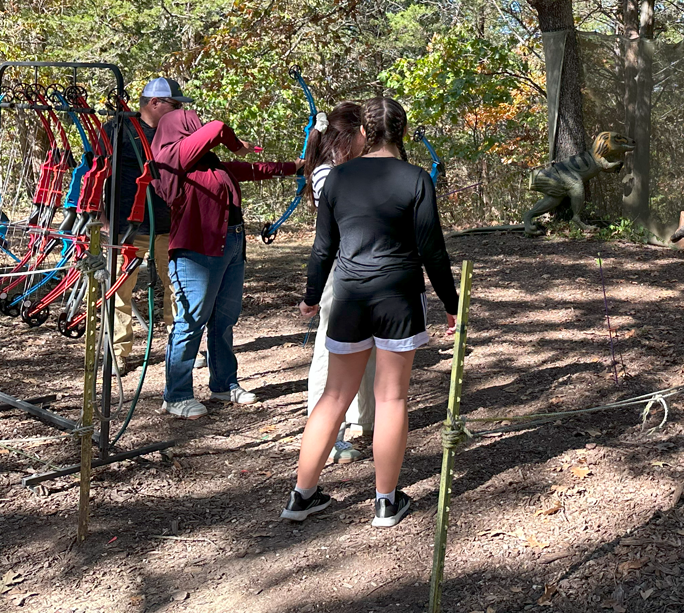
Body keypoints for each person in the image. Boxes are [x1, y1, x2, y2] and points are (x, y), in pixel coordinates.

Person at [282, 97, 457, 528]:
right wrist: (452, 305)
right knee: (391, 397)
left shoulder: (337, 178)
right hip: (398, 295)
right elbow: (432, 249)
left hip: (349, 297)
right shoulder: (416, 179)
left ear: (363, 132)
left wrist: (310, 296)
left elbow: (323, 247)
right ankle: (384, 502)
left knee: (334, 396)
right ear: (402, 132)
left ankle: (301, 497)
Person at [152, 107, 301, 419]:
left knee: (223, 320)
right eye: (191, 126)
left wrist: (298, 166)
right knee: (191, 322)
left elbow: (254, 169)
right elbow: (219, 127)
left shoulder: (209, 164)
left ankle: (223, 384)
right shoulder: (170, 158)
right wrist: (237, 144)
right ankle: (176, 395)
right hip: (197, 251)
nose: (197, 130)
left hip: (230, 245)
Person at [302, 102, 375, 464]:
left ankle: (360, 419)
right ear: (350, 135)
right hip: (340, 272)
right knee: (331, 352)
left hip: (359, 269)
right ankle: (328, 434)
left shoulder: (348, 169)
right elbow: (330, 238)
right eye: (364, 134)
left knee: (364, 346)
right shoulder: (328, 174)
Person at [106, 78, 184, 365]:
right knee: (119, 291)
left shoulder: (176, 132)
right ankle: (118, 353)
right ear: (155, 103)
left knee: (179, 286)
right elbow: (97, 170)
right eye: (174, 106)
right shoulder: (117, 129)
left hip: (169, 225)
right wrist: (102, 217)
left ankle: (180, 347)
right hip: (127, 227)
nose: (178, 112)